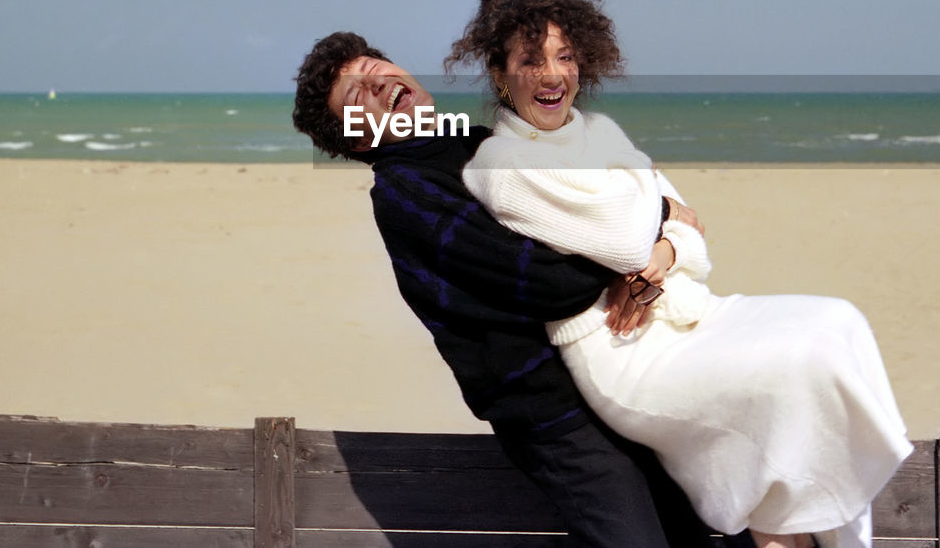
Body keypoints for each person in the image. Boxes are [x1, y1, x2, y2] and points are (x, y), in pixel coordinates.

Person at [447, 0, 915, 548]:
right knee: (798, 365)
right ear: (500, 73)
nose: (552, 75)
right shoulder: (498, 163)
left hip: (688, 310)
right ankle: (782, 529)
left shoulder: (600, 130)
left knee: (836, 321)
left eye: (565, 57)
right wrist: (660, 209)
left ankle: (798, 532)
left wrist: (664, 246)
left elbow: (696, 244)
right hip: (623, 351)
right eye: (530, 60)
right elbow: (621, 237)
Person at [292, 31, 727, 548]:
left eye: (375, 66)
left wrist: (651, 238)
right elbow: (550, 282)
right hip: (555, 415)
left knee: (706, 528)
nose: (378, 81)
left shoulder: (479, 143)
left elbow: (611, 187)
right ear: (358, 139)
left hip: (621, 373)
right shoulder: (405, 196)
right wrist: (643, 246)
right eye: (356, 94)